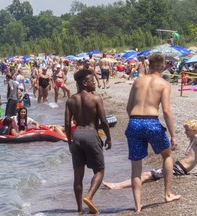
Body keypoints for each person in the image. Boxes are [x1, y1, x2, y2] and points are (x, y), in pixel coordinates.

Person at [125, 54, 181, 213]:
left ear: (149, 65)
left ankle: (137, 206)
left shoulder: (137, 81)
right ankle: (168, 194)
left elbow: (129, 107)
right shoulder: (164, 84)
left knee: (136, 164)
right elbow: (166, 111)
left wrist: (136, 123)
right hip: (151, 121)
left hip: (134, 121)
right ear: (163, 67)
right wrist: (173, 135)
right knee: (167, 155)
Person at [64, 68, 112, 214]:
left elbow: (67, 124)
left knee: (78, 175)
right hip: (91, 134)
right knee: (99, 170)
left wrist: (69, 142)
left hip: (77, 135)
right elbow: (103, 121)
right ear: (84, 82)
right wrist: (108, 137)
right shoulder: (96, 99)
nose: (95, 83)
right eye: (92, 80)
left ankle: (79, 209)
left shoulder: (71, 100)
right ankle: (89, 197)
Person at [103, 119, 197, 190]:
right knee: (146, 175)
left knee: (146, 175)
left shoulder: (196, 138)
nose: (185, 132)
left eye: (187, 130)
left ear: (194, 130)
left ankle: (117, 186)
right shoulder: (193, 139)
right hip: (177, 167)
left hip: (179, 169)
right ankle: (118, 185)